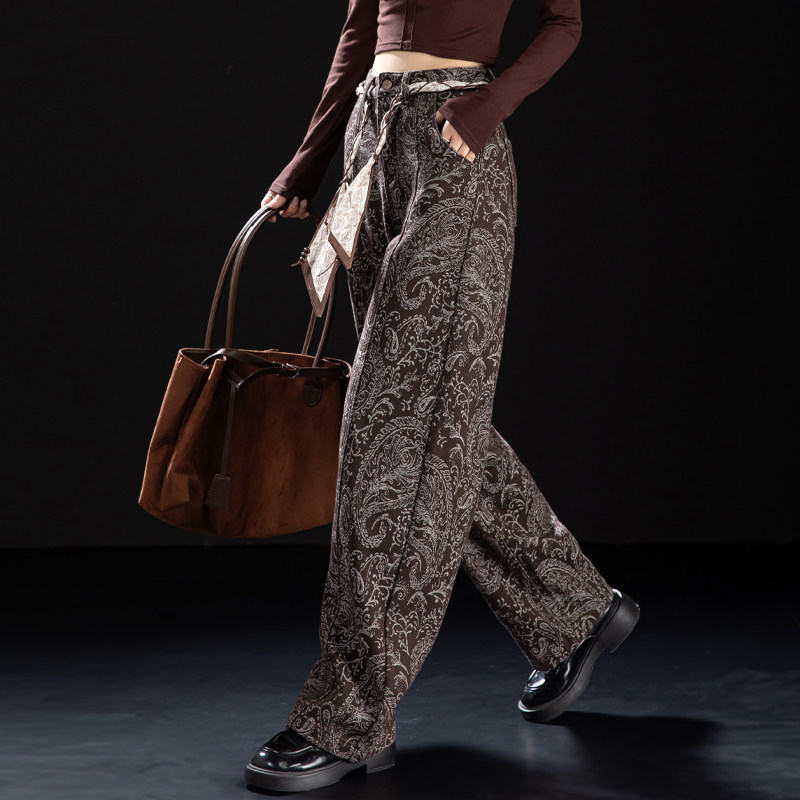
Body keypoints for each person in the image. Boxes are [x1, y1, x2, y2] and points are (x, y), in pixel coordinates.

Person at [244, 1, 639, 792]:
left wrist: (492, 104)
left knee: (398, 423)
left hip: (458, 145)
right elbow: (360, 30)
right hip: (370, 142)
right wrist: (309, 159)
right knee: (429, 413)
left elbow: (564, 20)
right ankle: (575, 609)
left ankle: (350, 715)